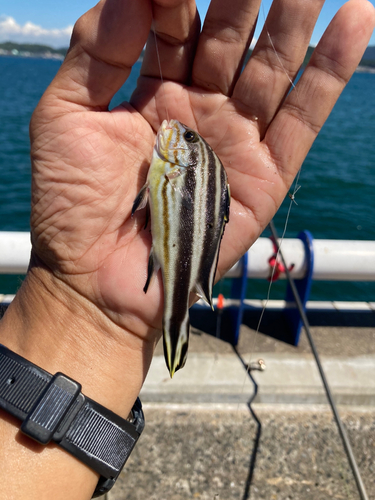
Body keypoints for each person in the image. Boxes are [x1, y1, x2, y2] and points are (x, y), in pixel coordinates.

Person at [0, 0, 374, 498]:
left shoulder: (169, 164)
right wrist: (79, 308)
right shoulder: (170, 166)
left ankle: (173, 323)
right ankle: (173, 324)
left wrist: (79, 315)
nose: (170, 134)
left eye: (182, 141)